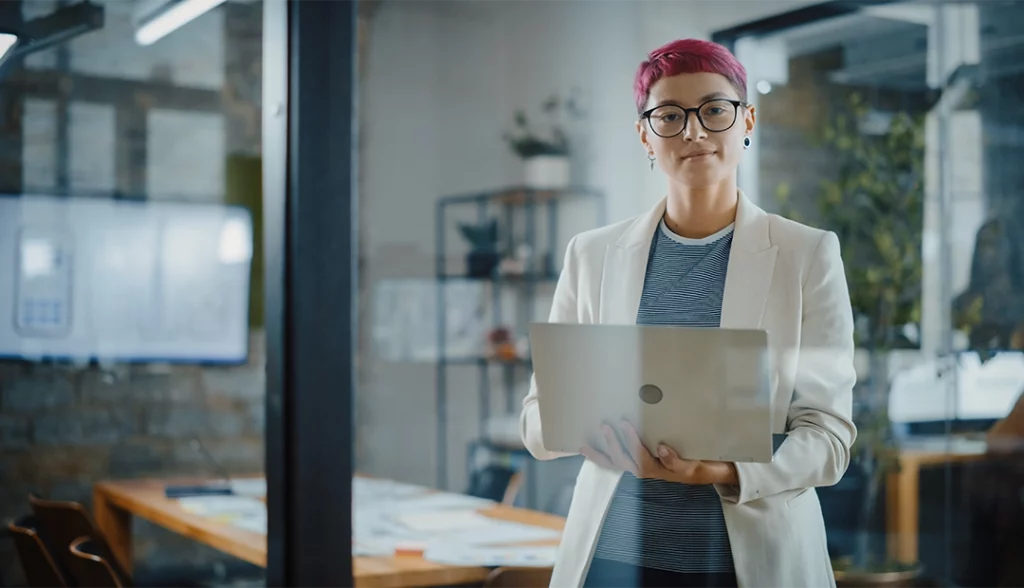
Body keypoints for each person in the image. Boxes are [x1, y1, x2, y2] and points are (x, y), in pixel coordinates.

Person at [519, 38, 857, 588]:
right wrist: (586, 429)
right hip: (613, 561)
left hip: (746, 563)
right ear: (645, 136)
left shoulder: (806, 255)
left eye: (714, 110)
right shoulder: (592, 254)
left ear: (746, 120)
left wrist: (720, 471)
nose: (694, 131)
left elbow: (829, 439)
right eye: (669, 115)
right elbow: (537, 421)